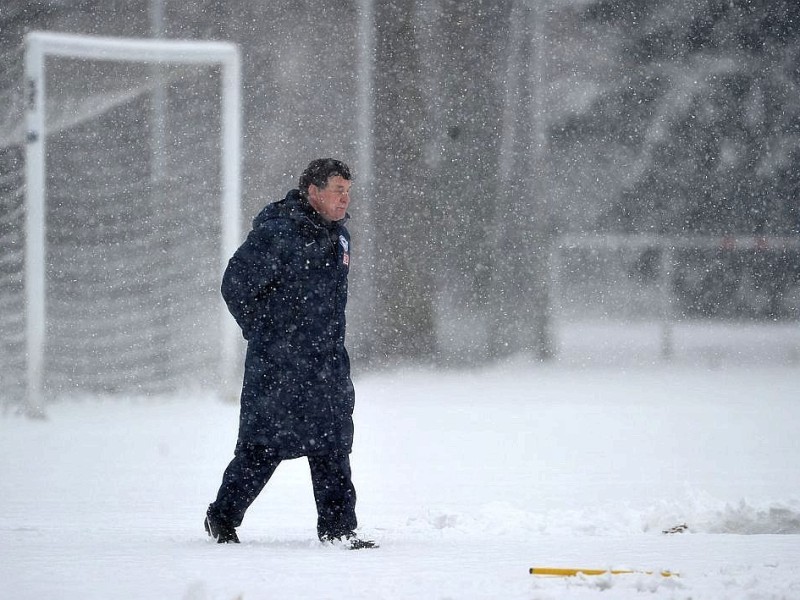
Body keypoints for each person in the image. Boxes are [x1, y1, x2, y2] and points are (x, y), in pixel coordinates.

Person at [205, 158, 374, 549]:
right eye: (337, 190)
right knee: (263, 447)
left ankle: (338, 530)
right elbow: (236, 285)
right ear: (313, 192)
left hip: (326, 363)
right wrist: (267, 332)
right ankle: (222, 516)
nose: (345, 199)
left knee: (332, 444)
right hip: (279, 365)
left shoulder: (339, 238)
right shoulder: (279, 233)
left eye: (348, 191)